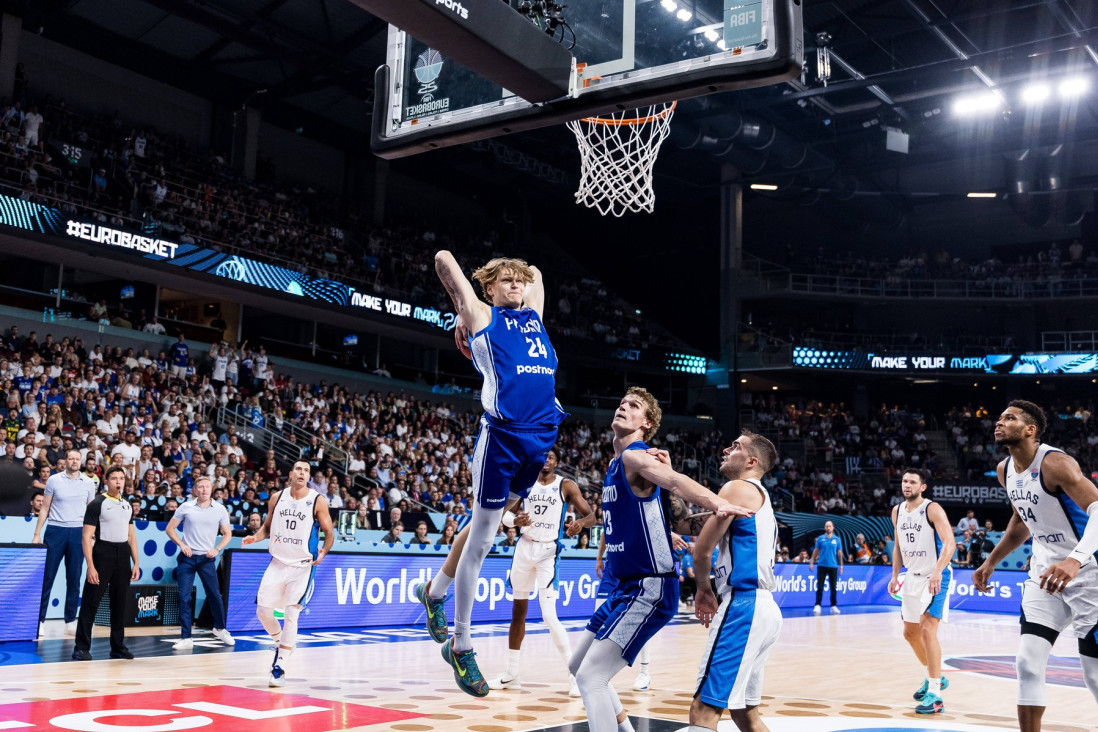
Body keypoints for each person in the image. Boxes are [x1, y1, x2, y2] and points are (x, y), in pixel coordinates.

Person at [413, 253, 567, 697]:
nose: (517, 285)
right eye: (506, 281)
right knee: (481, 540)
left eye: (519, 281)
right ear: (490, 290)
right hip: (502, 439)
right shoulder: (482, 314)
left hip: (540, 438)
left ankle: (435, 589)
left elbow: (538, 271)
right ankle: (461, 646)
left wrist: (517, 269)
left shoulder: (533, 315)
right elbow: (442, 260)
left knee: (492, 520)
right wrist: (463, 309)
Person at [568, 387, 746, 732]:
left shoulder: (636, 457)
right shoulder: (616, 464)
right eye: (621, 402)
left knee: (591, 677)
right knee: (579, 667)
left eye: (633, 406)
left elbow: (678, 483)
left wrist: (717, 504)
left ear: (646, 423)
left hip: (650, 585)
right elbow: (675, 518)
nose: (623, 407)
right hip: (624, 586)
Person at [974, 400, 1098, 732]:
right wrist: (990, 562)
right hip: (1043, 575)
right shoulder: (1005, 471)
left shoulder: (1056, 464)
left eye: (1009, 418)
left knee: (1094, 676)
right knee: (1027, 664)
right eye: (999, 417)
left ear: (1030, 430)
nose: (999, 422)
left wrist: (1074, 560)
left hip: (1089, 575)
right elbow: (1021, 522)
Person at [688, 430, 783, 732]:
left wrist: (703, 588)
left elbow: (702, 552)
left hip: (744, 605)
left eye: (736, 446)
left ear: (751, 461)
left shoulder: (736, 487)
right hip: (764, 608)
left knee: (703, 709)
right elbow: (694, 522)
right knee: (745, 714)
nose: (727, 449)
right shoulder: (757, 495)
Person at [487, 448, 595, 697]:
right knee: (518, 613)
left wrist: (579, 524)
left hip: (548, 552)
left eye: (551, 457)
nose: (546, 460)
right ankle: (511, 674)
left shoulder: (565, 485)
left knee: (549, 615)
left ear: (557, 462)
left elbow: (591, 516)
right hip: (524, 548)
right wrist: (516, 522)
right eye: (543, 456)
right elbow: (505, 514)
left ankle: (575, 674)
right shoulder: (525, 482)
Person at [242, 460, 334, 687]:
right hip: (277, 563)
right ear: (291, 474)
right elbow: (267, 527)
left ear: (308, 476)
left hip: (302, 566)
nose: (302, 473)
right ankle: (280, 642)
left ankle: (279, 665)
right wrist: (256, 537)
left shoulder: (317, 500)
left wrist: (323, 551)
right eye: (299, 470)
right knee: (263, 612)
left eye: (307, 471)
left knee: (292, 614)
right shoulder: (277, 497)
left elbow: (329, 531)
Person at [888, 468, 956, 714]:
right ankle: (934, 676)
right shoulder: (896, 511)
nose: (907, 485)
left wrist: (939, 570)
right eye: (904, 481)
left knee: (928, 629)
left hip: (935, 576)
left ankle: (935, 695)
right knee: (910, 633)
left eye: (912, 482)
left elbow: (950, 542)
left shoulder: (932, 509)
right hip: (912, 578)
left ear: (922, 487)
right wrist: (895, 575)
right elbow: (897, 546)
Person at [71, 466, 140, 661]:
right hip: (103, 552)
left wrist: (136, 563)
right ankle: (81, 647)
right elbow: (86, 537)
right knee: (90, 602)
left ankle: (117, 646)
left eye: (121, 478)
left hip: (123, 555)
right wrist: (91, 566)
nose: (118, 482)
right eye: (114, 478)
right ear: (107, 481)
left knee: (120, 603)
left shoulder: (127, 505)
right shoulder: (97, 503)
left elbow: (131, 536)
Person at [165, 476, 235, 650]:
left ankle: (220, 628)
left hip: (207, 558)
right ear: (195, 490)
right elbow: (170, 528)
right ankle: (186, 637)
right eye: (200, 487)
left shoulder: (219, 509)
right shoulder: (186, 507)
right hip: (187, 559)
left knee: (215, 595)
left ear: (211, 489)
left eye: (206, 487)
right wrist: (182, 544)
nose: (204, 490)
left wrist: (217, 549)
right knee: (184, 597)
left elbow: (227, 534)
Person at [33, 449, 97, 633]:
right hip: (55, 530)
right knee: (47, 577)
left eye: (77, 459)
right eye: (71, 458)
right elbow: (44, 508)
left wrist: (92, 536)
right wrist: (37, 534)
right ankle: (40, 621)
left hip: (78, 532)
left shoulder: (88, 483)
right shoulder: (54, 480)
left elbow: (90, 512)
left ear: (81, 461)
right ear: (65, 461)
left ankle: (70, 621)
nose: (74, 461)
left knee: (74, 578)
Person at [809, 520, 844, 615]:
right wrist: (811, 561)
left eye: (830, 526)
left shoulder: (837, 539)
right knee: (820, 586)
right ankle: (817, 605)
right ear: (825, 528)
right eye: (826, 526)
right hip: (821, 565)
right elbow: (816, 551)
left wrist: (841, 565)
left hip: (833, 566)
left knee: (833, 587)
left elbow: (839, 553)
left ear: (833, 528)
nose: (828, 528)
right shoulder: (820, 539)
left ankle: (833, 606)